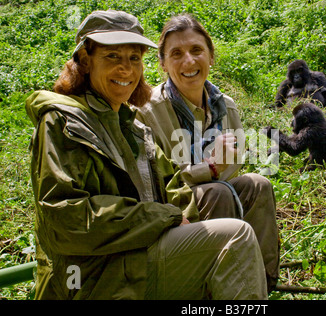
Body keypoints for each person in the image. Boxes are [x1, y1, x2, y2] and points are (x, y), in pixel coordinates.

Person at [26, 9, 267, 300]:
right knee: (234, 236)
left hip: (138, 256)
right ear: (86, 61)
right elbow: (64, 220)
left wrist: (180, 220)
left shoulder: (131, 124)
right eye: (112, 57)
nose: (125, 69)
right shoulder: (64, 123)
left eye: (134, 58)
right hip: (93, 275)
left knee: (239, 210)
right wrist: (165, 217)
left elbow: (175, 189)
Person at [134, 13, 280, 292]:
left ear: (211, 57)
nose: (189, 61)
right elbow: (159, 185)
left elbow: (233, 166)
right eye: (176, 53)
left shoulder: (225, 105)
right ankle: (215, 287)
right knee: (217, 191)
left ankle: (261, 282)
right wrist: (209, 169)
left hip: (210, 190)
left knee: (258, 185)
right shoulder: (148, 112)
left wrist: (218, 167)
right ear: (163, 64)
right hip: (171, 206)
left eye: (197, 50)